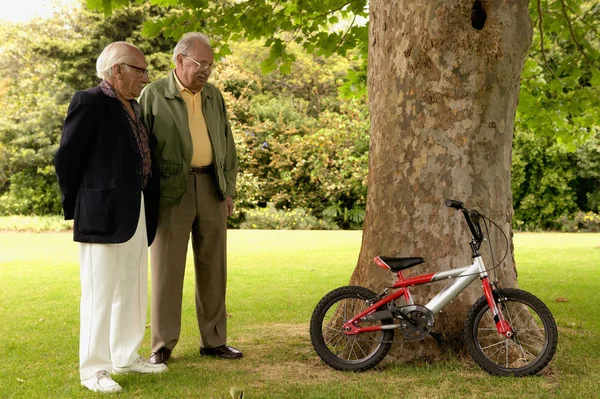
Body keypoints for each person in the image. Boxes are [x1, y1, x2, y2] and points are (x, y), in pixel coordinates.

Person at [54, 41, 167, 394]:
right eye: (140, 70)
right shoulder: (89, 102)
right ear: (116, 70)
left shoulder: (132, 106)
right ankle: (93, 370)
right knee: (99, 294)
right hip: (100, 215)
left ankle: (125, 355)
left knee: (132, 288)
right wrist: (78, 208)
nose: (146, 77)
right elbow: (67, 160)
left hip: (136, 212)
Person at [138, 32, 241, 364]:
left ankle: (214, 341)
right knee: (167, 271)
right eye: (200, 63)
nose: (206, 71)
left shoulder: (213, 96)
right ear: (179, 60)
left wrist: (228, 190)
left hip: (211, 189)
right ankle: (162, 345)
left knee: (214, 269)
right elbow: (142, 150)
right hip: (171, 194)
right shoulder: (152, 95)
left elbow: (227, 143)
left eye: (210, 65)